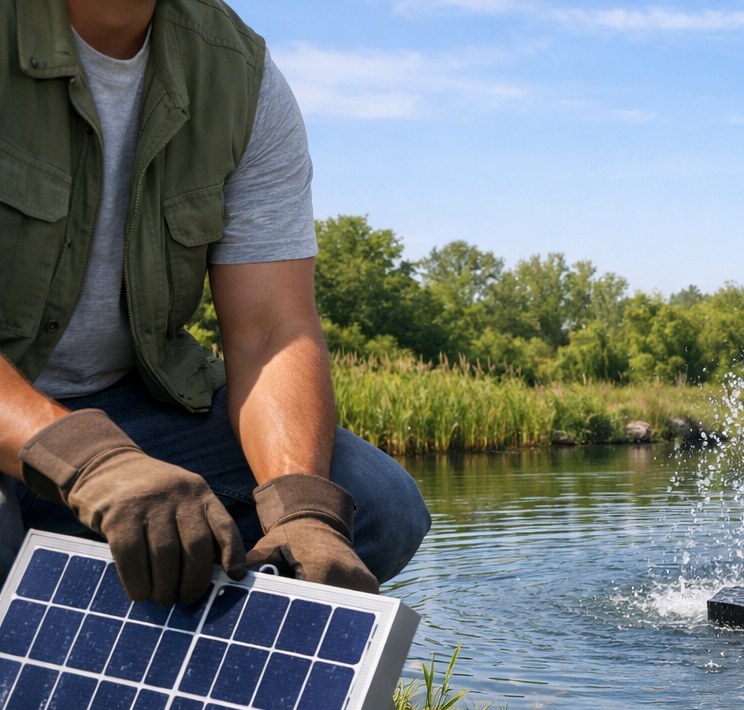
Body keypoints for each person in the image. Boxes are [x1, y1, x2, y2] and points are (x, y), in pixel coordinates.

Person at [1, 0, 429, 606]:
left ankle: (170, 680)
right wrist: (90, 463)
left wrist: (302, 510)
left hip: (125, 399)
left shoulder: (241, 76)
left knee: (374, 506)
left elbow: (272, 330)